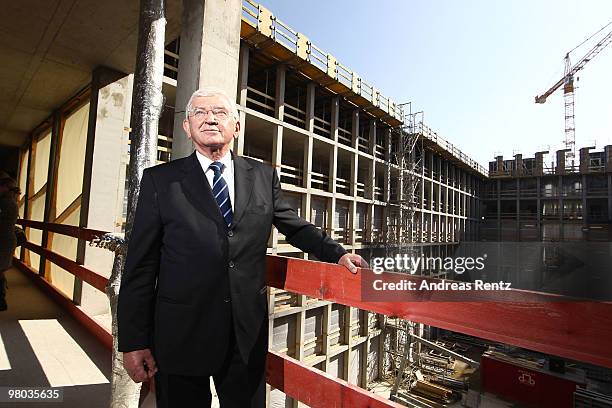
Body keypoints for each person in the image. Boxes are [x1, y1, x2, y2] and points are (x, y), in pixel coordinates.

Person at [117, 87, 367, 407]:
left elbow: (294, 226)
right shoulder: (160, 181)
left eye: (220, 113)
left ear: (236, 126)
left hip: (245, 335)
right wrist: (134, 341)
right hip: (179, 334)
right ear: (187, 126)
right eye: (200, 113)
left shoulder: (262, 176)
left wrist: (337, 253)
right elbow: (140, 267)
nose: (210, 119)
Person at [0, 171, 20, 312]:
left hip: (3, 240)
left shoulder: (5, 202)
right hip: (6, 239)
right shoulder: (11, 201)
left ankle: (1, 299)